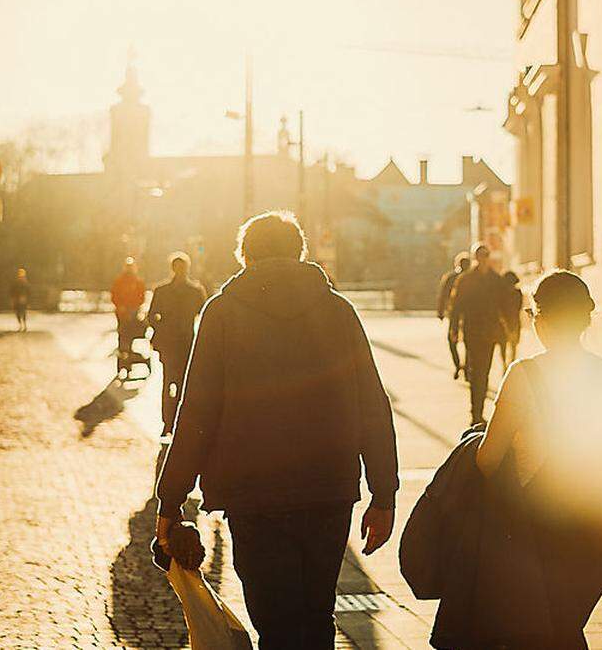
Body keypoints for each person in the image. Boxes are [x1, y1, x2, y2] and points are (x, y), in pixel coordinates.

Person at [155, 211, 399, 649]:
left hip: (254, 495)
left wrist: (171, 500)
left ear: (244, 257)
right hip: (327, 488)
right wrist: (384, 494)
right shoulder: (338, 311)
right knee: (316, 615)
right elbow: (372, 406)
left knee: (276, 622)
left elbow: (196, 415)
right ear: (300, 254)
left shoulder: (223, 313)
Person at [440, 270, 602, 648]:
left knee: (546, 633)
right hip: (599, 529)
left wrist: (481, 442)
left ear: (540, 321)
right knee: (562, 628)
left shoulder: (523, 375)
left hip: (537, 530)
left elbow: (487, 461)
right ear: (585, 320)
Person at [147, 252, 207, 438]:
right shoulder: (195, 291)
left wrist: (162, 327)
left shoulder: (163, 290)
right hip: (184, 343)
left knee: (170, 382)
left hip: (174, 344)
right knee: (180, 384)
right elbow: (204, 317)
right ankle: (176, 422)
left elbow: (152, 317)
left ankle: (169, 422)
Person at [450, 243, 506, 425]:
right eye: (480, 256)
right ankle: (475, 413)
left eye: (485, 255)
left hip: (489, 332)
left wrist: (509, 328)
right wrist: (454, 328)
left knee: (484, 371)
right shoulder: (466, 280)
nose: (483, 259)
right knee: (476, 372)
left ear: (488, 257)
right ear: (476, 258)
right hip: (472, 331)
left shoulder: (496, 280)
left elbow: (503, 305)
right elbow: (456, 305)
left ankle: (478, 411)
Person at [110, 257, 147, 374]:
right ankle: (125, 355)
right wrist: (121, 306)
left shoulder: (137, 281)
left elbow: (141, 296)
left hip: (131, 310)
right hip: (123, 311)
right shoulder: (121, 281)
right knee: (124, 334)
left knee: (128, 334)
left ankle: (127, 356)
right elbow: (115, 295)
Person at [437, 252, 470, 380]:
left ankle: (459, 365)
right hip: (464, 314)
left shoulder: (450, 277)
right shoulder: (467, 278)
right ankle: (465, 367)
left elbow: (442, 296)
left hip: (456, 314)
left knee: (453, 341)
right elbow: (443, 295)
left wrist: (440, 312)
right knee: (467, 342)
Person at [498, 270, 523, 369]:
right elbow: (518, 308)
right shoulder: (518, 292)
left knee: (503, 344)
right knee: (512, 345)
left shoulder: (501, 294)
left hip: (504, 321)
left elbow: (499, 308)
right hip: (514, 321)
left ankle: (505, 364)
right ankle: (510, 363)